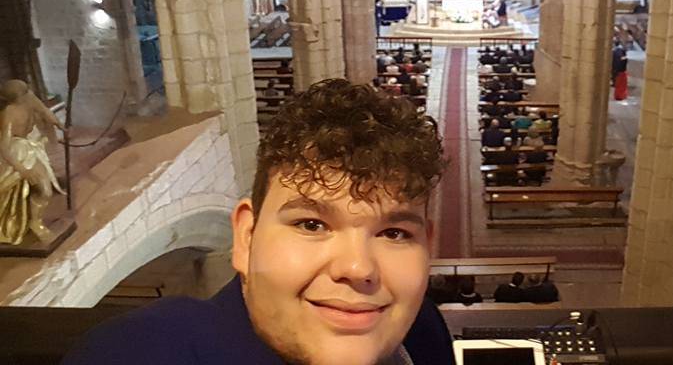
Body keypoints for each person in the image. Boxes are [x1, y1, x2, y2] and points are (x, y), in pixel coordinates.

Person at [65, 79, 454, 365]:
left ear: (427, 247)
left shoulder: (419, 330)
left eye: (394, 233)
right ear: (246, 236)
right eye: (311, 225)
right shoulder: (138, 352)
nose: (357, 268)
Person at [0, 79, 66, 244]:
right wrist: (22, 170)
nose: (28, 95)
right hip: (19, 150)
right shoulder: (8, 114)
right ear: (15, 99)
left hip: (32, 143)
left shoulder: (29, 97)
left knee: (45, 190)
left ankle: (34, 221)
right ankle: (34, 223)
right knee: (43, 190)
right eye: (23, 94)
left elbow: (44, 111)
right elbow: (4, 148)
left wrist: (57, 123)